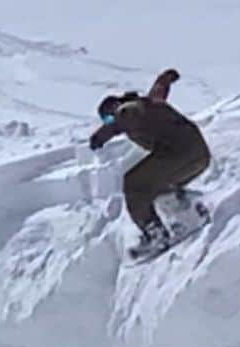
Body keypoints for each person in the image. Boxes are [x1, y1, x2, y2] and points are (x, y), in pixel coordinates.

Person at [89, 68, 211, 257]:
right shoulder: (149, 104)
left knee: (134, 184)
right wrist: (166, 78)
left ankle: (156, 235)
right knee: (158, 187)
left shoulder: (129, 110)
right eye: (105, 119)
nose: (109, 121)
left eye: (108, 117)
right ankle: (189, 214)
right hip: (198, 155)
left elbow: (124, 114)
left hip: (178, 152)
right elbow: (158, 90)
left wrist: (101, 135)